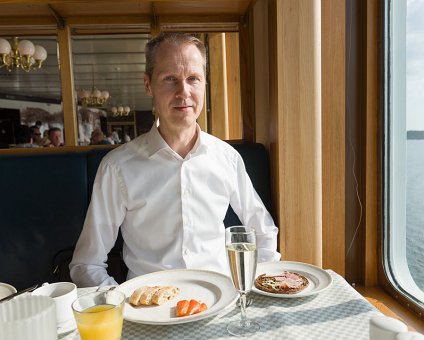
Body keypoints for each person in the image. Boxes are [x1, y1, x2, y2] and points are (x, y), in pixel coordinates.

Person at [70, 32, 280, 287]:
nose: (184, 92)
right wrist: (120, 306)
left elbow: (263, 231)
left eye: (193, 78)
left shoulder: (227, 158)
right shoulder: (117, 167)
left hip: (221, 301)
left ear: (204, 83)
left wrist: (255, 288)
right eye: (170, 79)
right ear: (148, 85)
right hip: (149, 311)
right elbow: (86, 264)